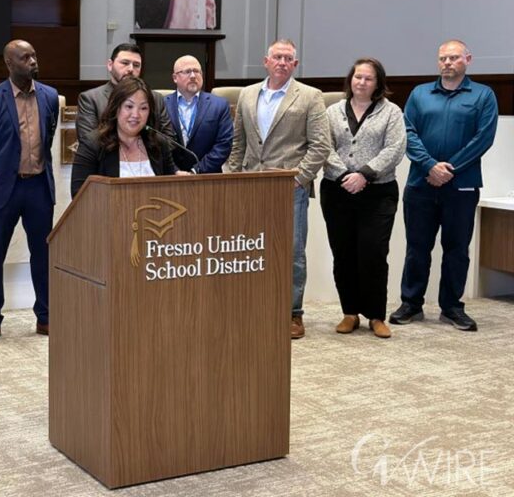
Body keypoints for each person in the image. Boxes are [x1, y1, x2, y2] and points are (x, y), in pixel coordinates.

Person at [390, 40, 498, 331]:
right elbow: (408, 132)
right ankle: (411, 304)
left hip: (461, 187)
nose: (447, 63)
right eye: (442, 58)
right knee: (417, 247)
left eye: (453, 58)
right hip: (420, 184)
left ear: (468, 59)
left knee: (457, 249)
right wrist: (430, 166)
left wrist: (449, 169)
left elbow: (483, 138)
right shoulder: (420, 94)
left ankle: (451, 307)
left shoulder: (483, 95)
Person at [227, 39, 330, 339]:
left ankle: (292, 313)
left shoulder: (310, 96)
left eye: (288, 59)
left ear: (295, 64)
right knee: (249, 248)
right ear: (266, 61)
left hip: (290, 188)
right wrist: (232, 176)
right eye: (277, 57)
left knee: (292, 252)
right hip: (250, 185)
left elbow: (320, 145)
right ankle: (255, 308)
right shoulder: (247, 94)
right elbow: (239, 142)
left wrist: (299, 178)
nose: (282, 62)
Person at [0, 39, 58, 345]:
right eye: (25, 57)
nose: (33, 61)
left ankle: (45, 316)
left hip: (38, 187)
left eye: (34, 55)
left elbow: (48, 139)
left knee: (43, 254)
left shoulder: (50, 96)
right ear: (9, 63)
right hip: (4, 188)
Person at [320, 58, 406, 339]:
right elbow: (323, 146)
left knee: (373, 253)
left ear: (378, 83)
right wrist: (346, 175)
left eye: (369, 78)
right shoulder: (332, 111)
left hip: (378, 193)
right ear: (350, 79)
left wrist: (364, 175)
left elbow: (395, 148)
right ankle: (350, 313)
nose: (362, 82)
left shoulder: (391, 112)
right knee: (343, 253)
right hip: (338, 191)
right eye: (358, 77)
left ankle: (376, 316)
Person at [71, 77, 180, 197]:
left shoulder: (159, 143)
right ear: (116, 108)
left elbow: (172, 192)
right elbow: (79, 195)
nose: (136, 115)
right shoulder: (92, 144)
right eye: (129, 106)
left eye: (143, 108)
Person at [76, 43, 175, 146]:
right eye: (125, 63)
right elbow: (88, 143)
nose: (131, 69)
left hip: (148, 155)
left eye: (136, 65)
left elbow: (169, 141)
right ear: (110, 65)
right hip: (107, 156)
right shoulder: (91, 99)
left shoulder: (156, 98)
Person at [162, 54, 232, 173]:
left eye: (197, 71)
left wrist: (196, 171)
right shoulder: (162, 105)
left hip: (208, 177)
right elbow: (156, 144)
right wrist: (175, 171)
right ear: (175, 78)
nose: (193, 76)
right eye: (187, 71)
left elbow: (223, 145)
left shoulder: (219, 105)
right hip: (170, 177)